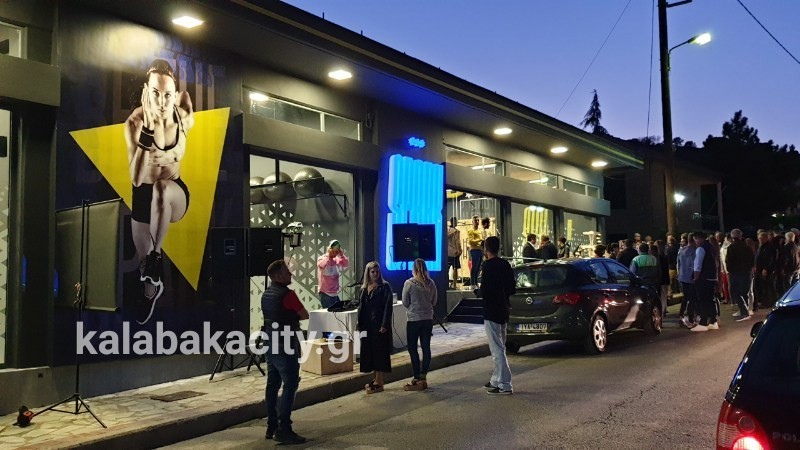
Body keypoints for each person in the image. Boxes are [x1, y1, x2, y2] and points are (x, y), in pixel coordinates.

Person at [124, 59, 194, 325]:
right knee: (146, 272)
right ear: (146, 91)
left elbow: (189, 113)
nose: (162, 101)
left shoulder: (183, 117)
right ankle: (150, 290)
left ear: (174, 95)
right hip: (142, 195)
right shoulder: (134, 123)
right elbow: (136, 177)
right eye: (156, 93)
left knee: (162, 189)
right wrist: (148, 130)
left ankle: (156, 254)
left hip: (174, 194)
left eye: (167, 95)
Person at [262, 260, 309, 444]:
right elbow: (304, 314)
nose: (291, 274)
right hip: (286, 343)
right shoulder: (288, 295)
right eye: (287, 272)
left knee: (272, 384)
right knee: (290, 384)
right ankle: (284, 428)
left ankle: (271, 425)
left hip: (270, 342)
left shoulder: (266, 294)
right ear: (278, 276)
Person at [478, 236, 515, 394]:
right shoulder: (505, 265)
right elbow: (512, 288)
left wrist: (479, 292)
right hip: (503, 310)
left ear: (486, 250)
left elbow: (486, 290)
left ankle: (505, 384)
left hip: (491, 311)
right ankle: (496, 379)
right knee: (500, 347)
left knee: (497, 349)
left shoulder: (487, 266)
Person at [357, 261, 393, 394]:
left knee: (380, 352)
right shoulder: (364, 288)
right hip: (367, 325)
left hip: (379, 324)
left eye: (377, 271)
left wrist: (384, 324)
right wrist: (359, 324)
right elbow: (361, 307)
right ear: (368, 273)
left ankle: (379, 380)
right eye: (373, 272)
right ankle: (375, 379)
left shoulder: (385, 287)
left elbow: (388, 307)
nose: (375, 274)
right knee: (369, 351)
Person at [402, 259, 437, 391]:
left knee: (412, 348)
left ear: (414, 269)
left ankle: (416, 375)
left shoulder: (409, 283)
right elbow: (434, 301)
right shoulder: (431, 283)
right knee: (426, 347)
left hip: (413, 320)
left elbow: (405, 302)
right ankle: (423, 375)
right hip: (427, 320)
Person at [691, 232, 719, 332]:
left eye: (695, 240)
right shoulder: (711, 247)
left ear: (699, 239)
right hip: (712, 277)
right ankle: (713, 321)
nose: (695, 242)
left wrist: (695, 278)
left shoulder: (701, 249)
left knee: (703, 300)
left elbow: (698, 265)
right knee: (710, 300)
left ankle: (703, 322)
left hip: (703, 278)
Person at [725, 228, 754, 321]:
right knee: (744, 292)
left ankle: (744, 311)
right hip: (746, 272)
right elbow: (752, 260)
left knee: (736, 292)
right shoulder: (747, 248)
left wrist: (730, 270)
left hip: (735, 273)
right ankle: (744, 310)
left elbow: (728, 261)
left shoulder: (731, 248)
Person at [316, 240, 350, 308]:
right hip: (325, 293)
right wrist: (329, 256)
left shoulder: (336, 259)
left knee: (338, 311)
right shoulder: (322, 258)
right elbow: (321, 265)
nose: (335, 254)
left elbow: (346, 264)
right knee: (329, 312)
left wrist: (341, 254)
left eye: (337, 252)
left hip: (334, 292)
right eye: (334, 251)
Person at [677, 233, 697, 328]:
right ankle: (690, 317)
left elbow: (678, 264)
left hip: (682, 276)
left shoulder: (681, 250)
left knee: (685, 297)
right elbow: (694, 265)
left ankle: (681, 314)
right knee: (692, 298)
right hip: (691, 278)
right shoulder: (694, 251)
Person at [466, 215, 484, 288]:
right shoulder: (470, 231)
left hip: (480, 250)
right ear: (472, 222)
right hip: (474, 250)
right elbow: (471, 241)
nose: (477, 222)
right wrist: (480, 240)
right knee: (474, 267)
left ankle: (476, 283)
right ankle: (472, 283)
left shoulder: (479, 231)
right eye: (476, 220)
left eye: (478, 220)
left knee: (478, 268)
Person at [446, 217, 462, 289]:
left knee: (448, 268)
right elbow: (457, 242)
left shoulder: (447, 230)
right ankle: (454, 284)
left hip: (448, 252)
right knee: (455, 268)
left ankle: (447, 283)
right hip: (454, 252)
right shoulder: (456, 231)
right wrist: (459, 250)